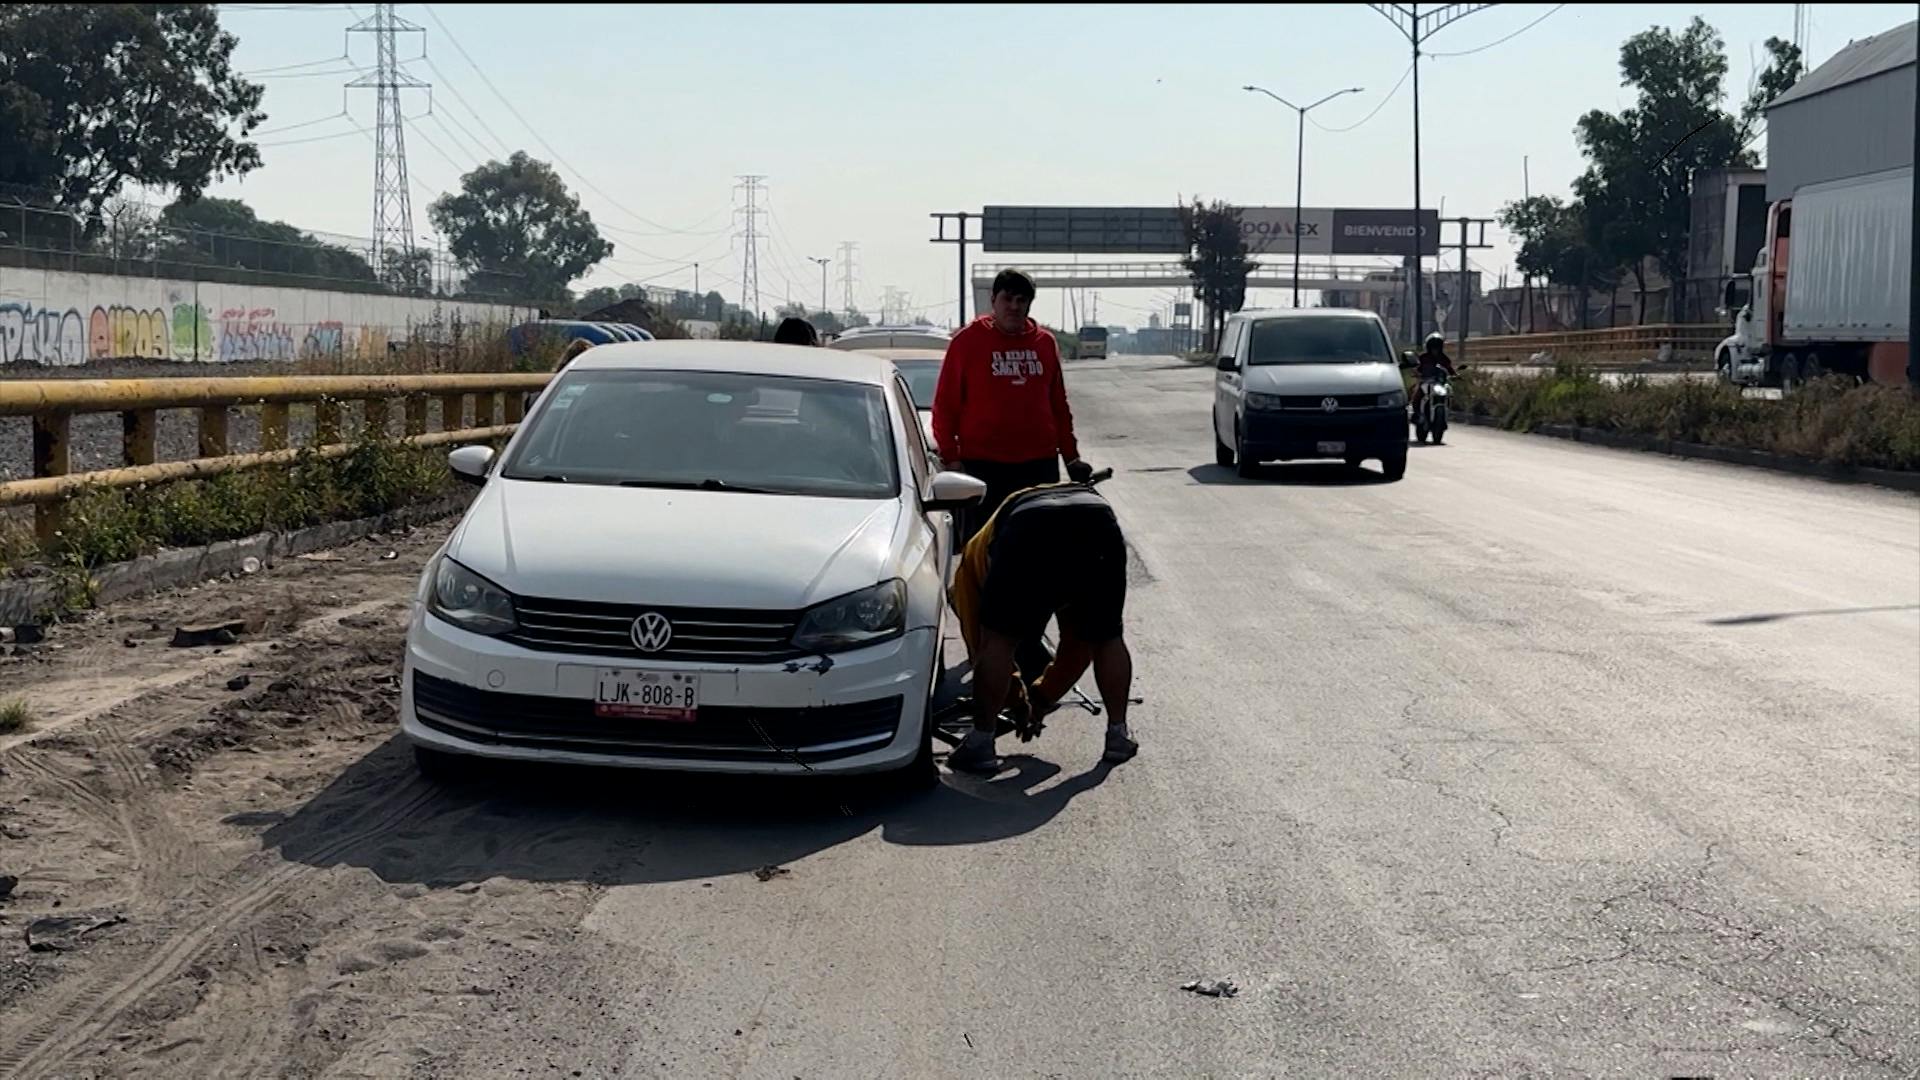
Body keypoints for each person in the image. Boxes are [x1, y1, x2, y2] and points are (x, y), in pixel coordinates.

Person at [945, 478, 1137, 775]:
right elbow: (1079, 645)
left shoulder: (967, 575)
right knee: (1106, 636)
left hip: (1028, 526)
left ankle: (980, 743)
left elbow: (982, 650)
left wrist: (1026, 701)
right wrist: (1040, 697)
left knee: (998, 640)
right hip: (1095, 517)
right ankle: (1118, 735)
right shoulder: (986, 552)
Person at [931, 268, 1090, 547]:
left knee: (1039, 548)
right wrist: (952, 459)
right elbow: (945, 405)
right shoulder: (967, 343)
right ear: (994, 300)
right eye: (1008, 299)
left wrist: (1071, 457)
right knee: (987, 550)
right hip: (984, 467)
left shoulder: (1044, 343)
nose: (1014, 307)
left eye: (1022, 300)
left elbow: (1058, 405)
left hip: (1038, 466)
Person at [1411, 331, 1456, 412]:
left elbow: (1449, 368)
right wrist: (1416, 373)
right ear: (1429, 347)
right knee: (1418, 395)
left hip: (1440, 382)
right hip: (1426, 381)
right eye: (1433, 347)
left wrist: (1455, 375)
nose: (1435, 349)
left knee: (1449, 392)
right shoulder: (1423, 358)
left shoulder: (1444, 358)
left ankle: (1448, 409)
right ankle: (1416, 413)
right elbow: (1418, 368)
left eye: (1437, 347)